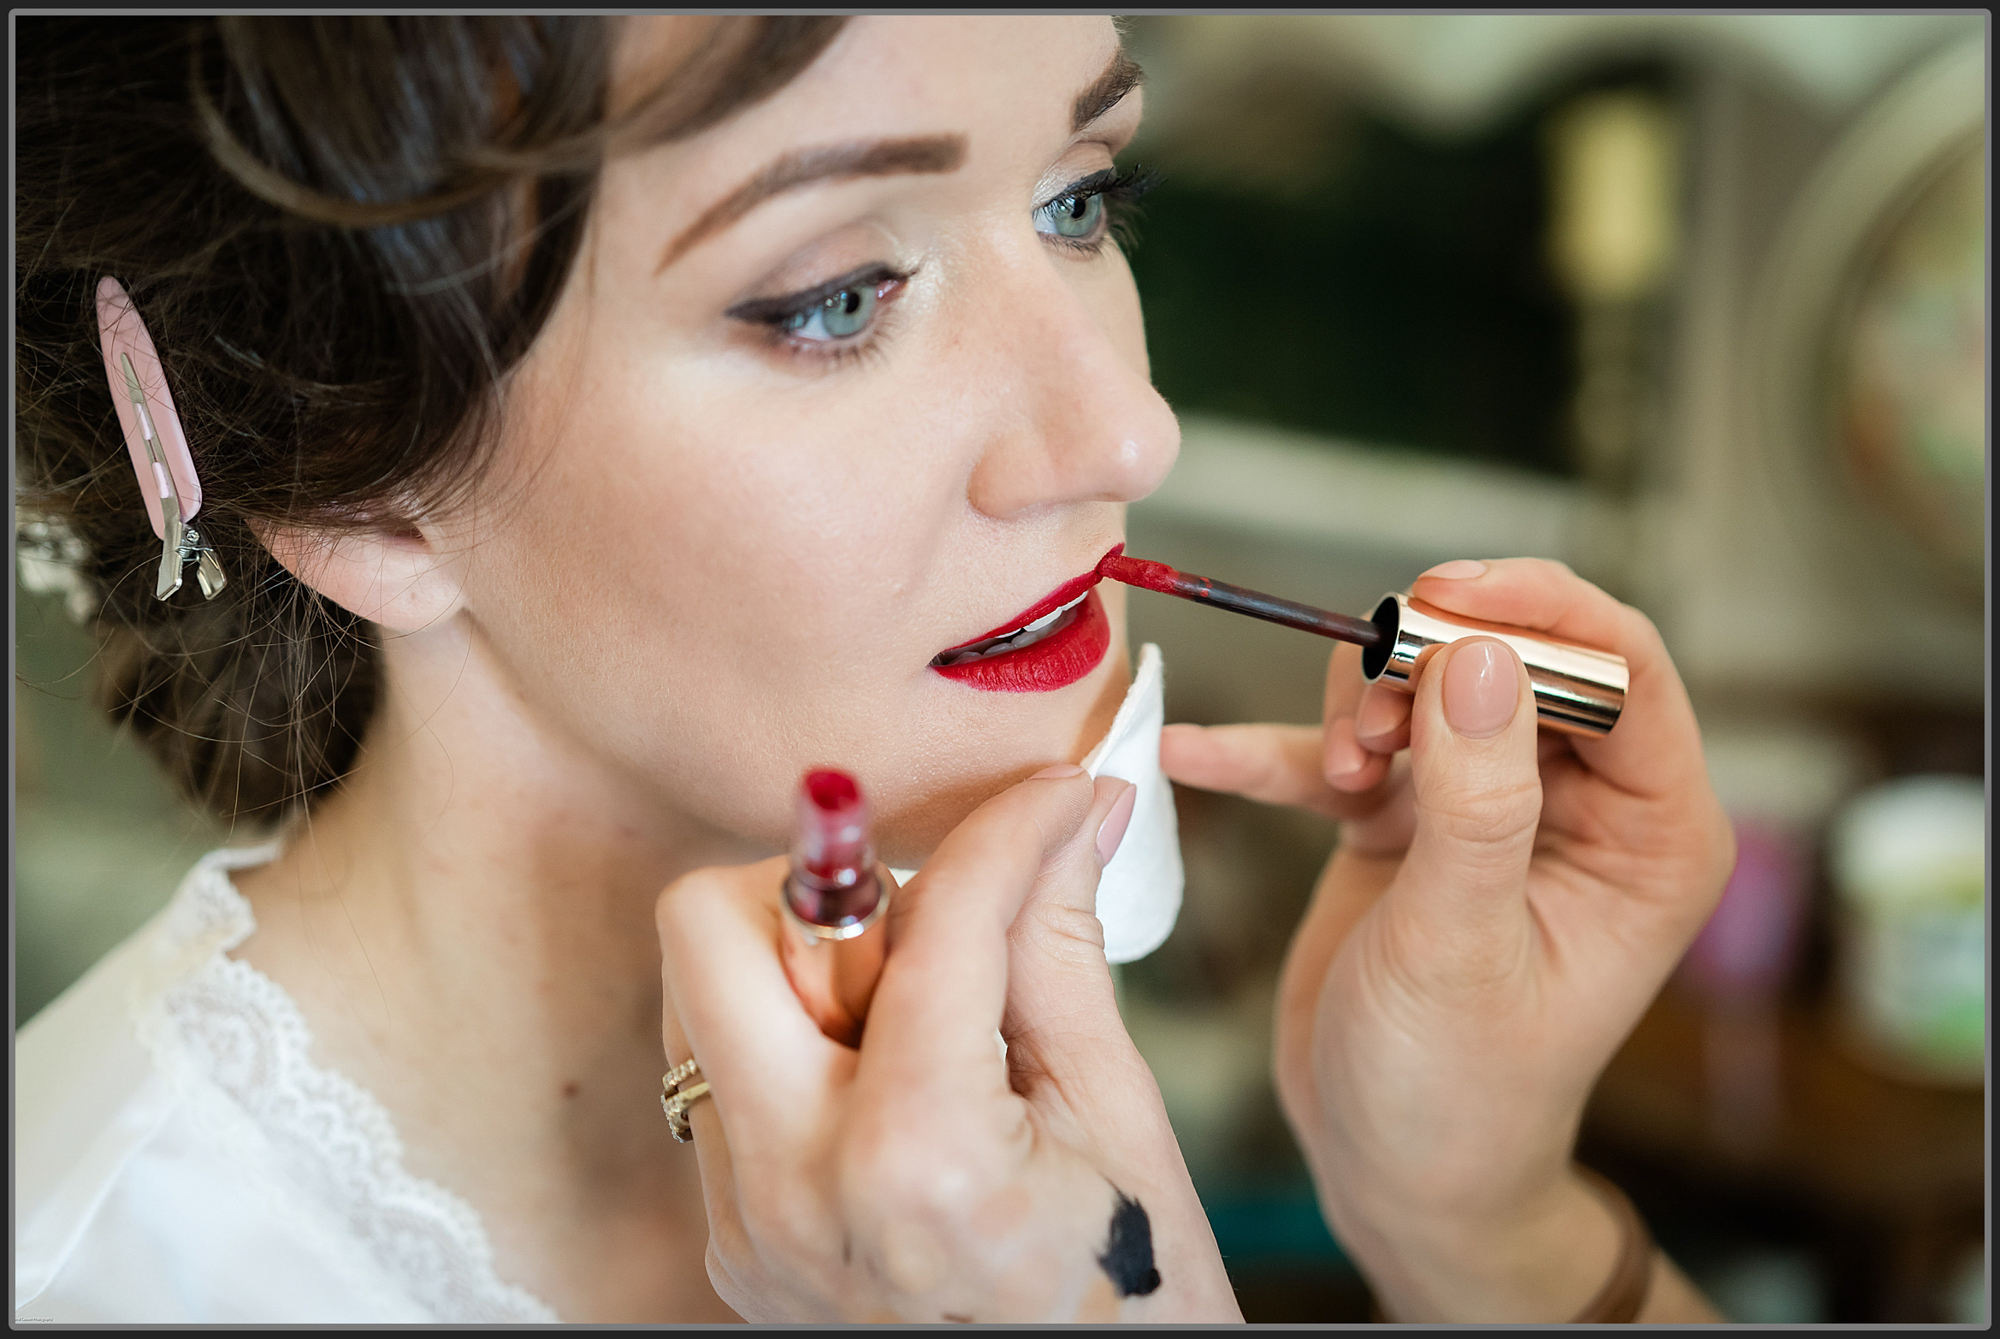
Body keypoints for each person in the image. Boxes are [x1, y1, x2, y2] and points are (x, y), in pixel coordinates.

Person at [14, 14, 1731, 1324]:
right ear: (356, 480)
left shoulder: (974, 1015)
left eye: (1082, 197)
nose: (1124, 430)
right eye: (839, 296)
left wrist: (1477, 1219)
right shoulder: (105, 1273)